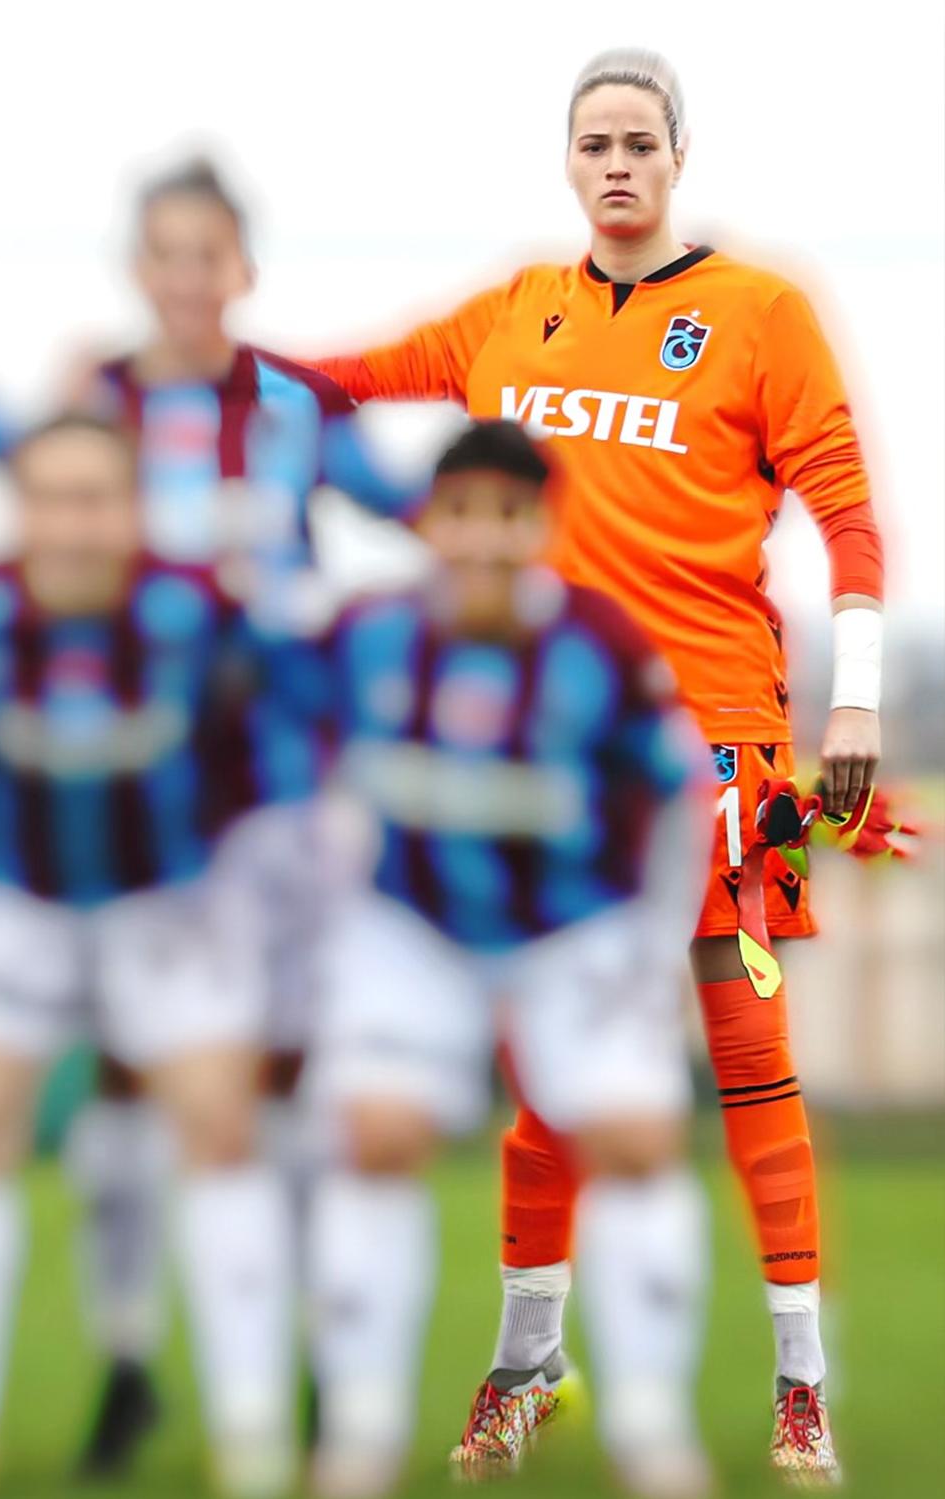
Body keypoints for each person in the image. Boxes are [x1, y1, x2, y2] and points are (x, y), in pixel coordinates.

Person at [307, 47, 886, 1486]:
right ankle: (529, 1365)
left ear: (678, 155)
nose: (617, 164)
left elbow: (846, 511)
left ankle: (801, 1386)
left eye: (639, 141)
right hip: (554, 759)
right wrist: (206, 372)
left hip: (718, 748)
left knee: (748, 1056)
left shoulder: (759, 312)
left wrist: (856, 704)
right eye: (594, 143)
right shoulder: (519, 312)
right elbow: (346, 380)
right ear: (568, 162)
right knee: (550, 1068)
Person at [61, 156, 421, 1476]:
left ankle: (312, 1350)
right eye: (165, 252)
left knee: (283, 1070)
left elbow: (425, 512)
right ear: (138, 266)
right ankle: (127, 1355)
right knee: (122, 1073)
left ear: (242, 269)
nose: (186, 276)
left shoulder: (292, 406)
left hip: (282, 789)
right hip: (127, 788)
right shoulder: (93, 402)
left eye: (207, 253)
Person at [302, 420, 714, 1499]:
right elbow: (288, 768)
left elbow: (683, 795)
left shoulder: (601, 642)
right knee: (377, 1133)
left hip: (575, 929)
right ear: (428, 522)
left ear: (541, 525)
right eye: (462, 513)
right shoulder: (364, 633)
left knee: (635, 1141)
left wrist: (657, 952)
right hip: (413, 927)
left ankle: (651, 1428)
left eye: (508, 515)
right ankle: (361, 1428)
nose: (483, 537)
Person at [0, 413, 301, 1498]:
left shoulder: (200, 610)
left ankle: (253, 1433)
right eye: (51, 499)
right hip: (12, 893)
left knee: (221, 1126)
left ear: (135, 506)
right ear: (21, 508)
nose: (74, 524)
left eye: (95, 498)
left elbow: (285, 729)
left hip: (169, 894)